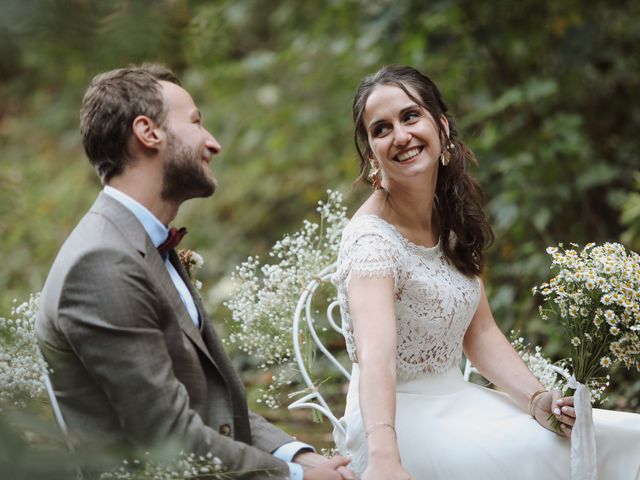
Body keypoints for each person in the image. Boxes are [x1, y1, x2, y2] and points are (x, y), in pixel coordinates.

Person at [35, 64, 354, 480]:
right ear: (148, 132)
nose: (213, 143)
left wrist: (297, 455)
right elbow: (168, 436)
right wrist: (294, 477)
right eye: (196, 123)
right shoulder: (102, 263)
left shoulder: (141, 243)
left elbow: (213, 405)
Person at [331, 64, 640, 479]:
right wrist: (386, 456)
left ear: (440, 126)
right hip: (397, 422)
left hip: (459, 401)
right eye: (381, 129)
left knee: (620, 435)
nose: (400, 136)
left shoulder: (451, 215)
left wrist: (535, 399)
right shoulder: (371, 241)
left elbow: (480, 333)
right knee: (536, 455)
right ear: (372, 153)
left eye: (410, 116)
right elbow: (376, 358)